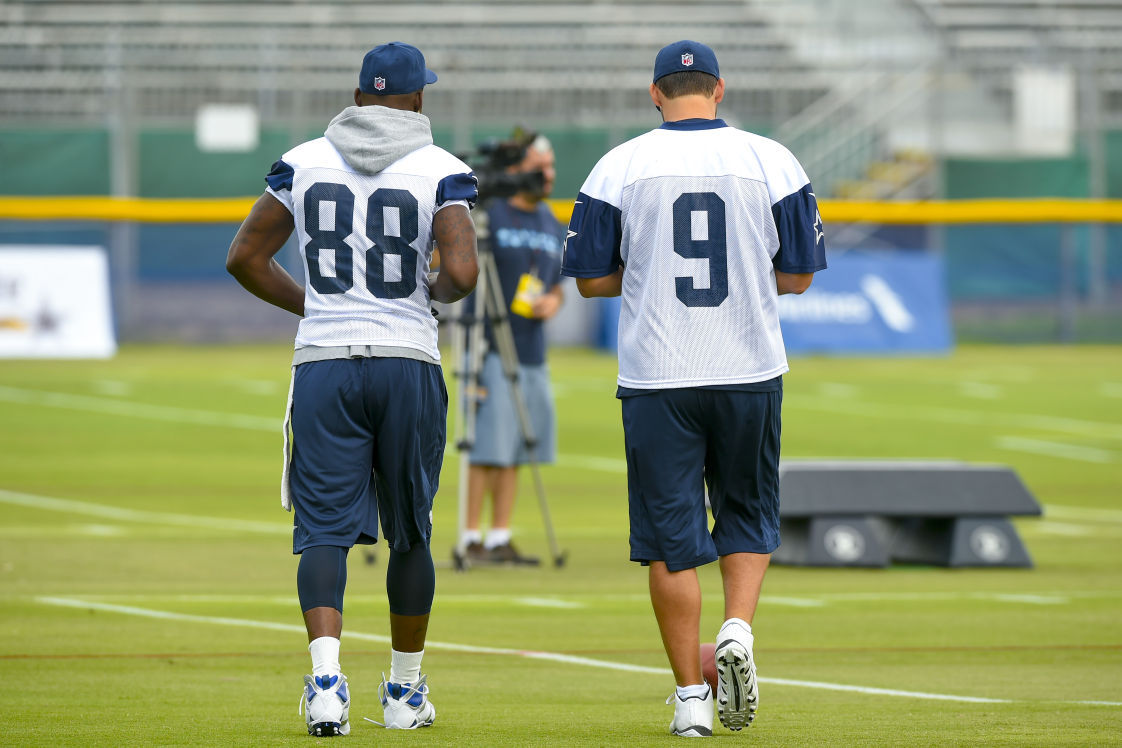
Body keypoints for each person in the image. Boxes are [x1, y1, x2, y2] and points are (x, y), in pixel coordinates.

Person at [561, 40, 826, 737]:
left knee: (668, 539)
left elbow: (590, 278)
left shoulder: (619, 165)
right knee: (747, 513)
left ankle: (688, 699)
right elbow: (797, 276)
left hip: (658, 373)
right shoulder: (773, 159)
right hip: (747, 368)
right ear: (720, 89)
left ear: (655, 93)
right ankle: (736, 628)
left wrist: (646, 270)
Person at [225, 41, 478, 736]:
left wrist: (317, 307)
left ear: (359, 96)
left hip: (326, 362)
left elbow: (245, 257)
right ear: (418, 99)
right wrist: (433, 289)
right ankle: (403, 693)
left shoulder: (304, 159)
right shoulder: (442, 168)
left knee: (324, 531)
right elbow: (462, 272)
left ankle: (327, 685)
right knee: (411, 534)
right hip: (408, 360)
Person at [460, 131, 565, 565]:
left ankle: (500, 535)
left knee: (518, 447)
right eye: (540, 165)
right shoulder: (492, 214)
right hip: (488, 344)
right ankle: (470, 537)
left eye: (552, 165)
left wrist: (554, 300)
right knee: (486, 445)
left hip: (530, 348)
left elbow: (556, 282)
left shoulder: (551, 223)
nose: (548, 174)